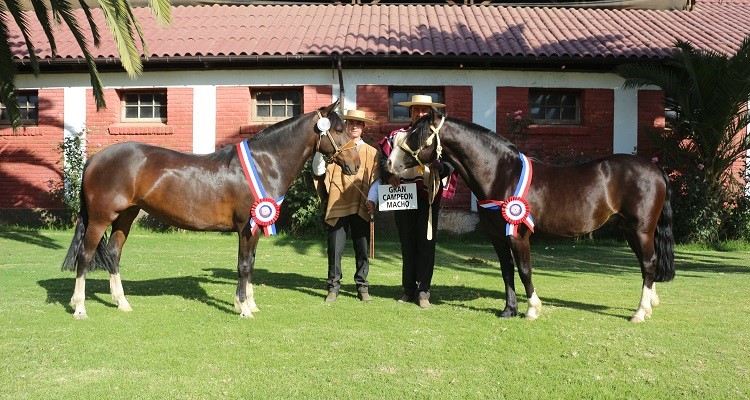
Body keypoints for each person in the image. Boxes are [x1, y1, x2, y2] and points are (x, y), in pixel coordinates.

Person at [377, 95, 455, 309]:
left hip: (428, 196)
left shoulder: (437, 137)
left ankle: (424, 291)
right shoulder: (398, 135)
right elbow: (383, 159)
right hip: (402, 195)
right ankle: (408, 289)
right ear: (410, 113)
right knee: (407, 243)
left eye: (424, 110)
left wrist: (442, 168)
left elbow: (451, 164)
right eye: (416, 110)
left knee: (426, 244)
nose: (420, 114)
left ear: (430, 113)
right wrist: (388, 175)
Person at [312, 109, 381, 303]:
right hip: (338, 204)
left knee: (362, 249)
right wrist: (318, 155)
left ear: (363, 128)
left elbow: (376, 179)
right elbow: (319, 171)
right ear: (346, 126)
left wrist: (373, 200)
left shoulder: (371, 152)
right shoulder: (335, 149)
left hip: (361, 205)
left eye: (358, 124)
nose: (354, 127)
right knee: (335, 249)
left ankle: (362, 286)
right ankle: (333, 287)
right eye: (351, 123)